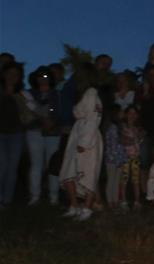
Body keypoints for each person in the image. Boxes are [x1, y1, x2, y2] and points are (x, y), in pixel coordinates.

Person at [60, 67, 103, 221]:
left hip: (87, 137)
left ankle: (87, 207)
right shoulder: (84, 94)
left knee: (87, 172)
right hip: (77, 133)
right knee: (69, 172)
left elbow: (93, 118)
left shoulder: (91, 93)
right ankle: (74, 206)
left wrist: (84, 142)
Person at [23, 66, 61, 205]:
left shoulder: (56, 94)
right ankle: (35, 196)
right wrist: (41, 120)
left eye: (45, 76)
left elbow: (58, 112)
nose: (42, 79)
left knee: (52, 164)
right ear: (35, 78)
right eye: (40, 76)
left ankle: (53, 196)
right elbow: (27, 112)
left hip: (53, 133)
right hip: (34, 132)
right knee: (36, 164)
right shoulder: (29, 93)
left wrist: (52, 123)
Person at [0, 62, 27, 207]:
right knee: (2, 165)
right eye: (10, 73)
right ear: (4, 75)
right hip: (0, 133)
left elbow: (29, 112)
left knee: (12, 167)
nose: (12, 77)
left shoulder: (22, 93)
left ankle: (7, 200)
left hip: (16, 134)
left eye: (16, 74)